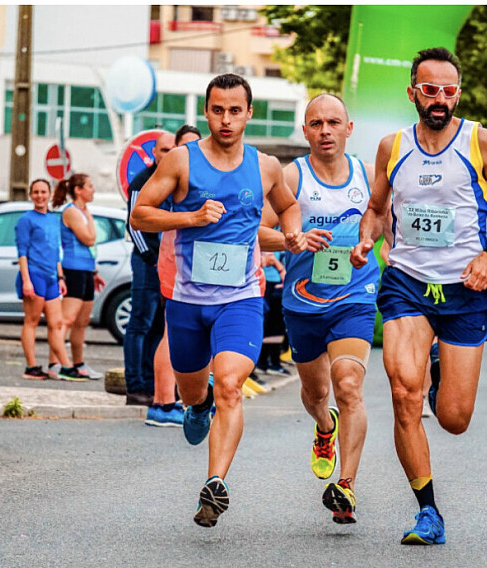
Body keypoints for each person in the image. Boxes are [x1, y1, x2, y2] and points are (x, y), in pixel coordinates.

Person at [351, 47, 487, 545]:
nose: (439, 99)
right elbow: (376, 209)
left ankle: (437, 369)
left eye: (448, 91)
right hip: (407, 282)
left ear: (458, 95)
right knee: (402, 393)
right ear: (413, 92)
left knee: (453, 418)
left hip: (466, 288)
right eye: (430, 90)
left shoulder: (479, 141)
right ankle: (427, 511)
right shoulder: (392, 147)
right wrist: (367, 238)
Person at [131, 73, 307, 528]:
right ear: (206, 112)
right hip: (187, 301)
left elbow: (288, 206)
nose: (226, 119)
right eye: (217, 110)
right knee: (194, 390)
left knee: (230, 384)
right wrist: (190, 217)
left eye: (234, 110)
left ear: (249, 114)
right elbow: (140, 214)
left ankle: (214, 483)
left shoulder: (265, 166)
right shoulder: (181, 160)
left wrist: (291, 232)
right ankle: (197, 404)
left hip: (241, 299)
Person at [259, 93, 380, 524]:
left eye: (333, 122)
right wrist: (292, 240)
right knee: (316, 394)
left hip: (355, 296)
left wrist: (370, 241)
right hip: (303, 301)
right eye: (316, 123)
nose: (325, 130)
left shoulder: (368, 174)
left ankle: (346, 485)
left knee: (348, 385)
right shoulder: (292, 176)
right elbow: (259, 230)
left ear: (349, 128)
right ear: (306, 131)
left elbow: (385, 220)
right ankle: (325, 427)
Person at [141, 126, 204, 425]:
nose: (191, 151)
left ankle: (187, 400)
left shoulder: (197, 171)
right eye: (185, 145)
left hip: (199, 259)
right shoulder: (172, 172)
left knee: (193, 332)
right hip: (177, 258)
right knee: (171, 332)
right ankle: (163, 404)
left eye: (196, 145)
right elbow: (140, 216)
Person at [124, 131, 176, 407]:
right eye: (164, 150)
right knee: (140, 324)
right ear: (154, 153)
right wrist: (152, 258)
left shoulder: (172, 181)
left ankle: (151, 383)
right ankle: (134, 386)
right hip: (148, 263)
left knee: (158, 326)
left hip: (166, 264)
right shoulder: (142, 181)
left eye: (172, 150)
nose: (168, 154)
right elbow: (135, 225)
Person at [15, 179, 83, 381]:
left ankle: (65, 366)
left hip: (52, 278)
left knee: (57, 323)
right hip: (34, 275)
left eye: (43, 192)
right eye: (36, 192)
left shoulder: (54, 219)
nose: (40, 196)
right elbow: (22, 253)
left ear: (49, 194)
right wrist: (26, 281)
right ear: (30, 195)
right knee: (32, 321)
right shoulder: (26, 220)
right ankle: (31, 366)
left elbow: (55, 251)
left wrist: (60, 277)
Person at [50, 173, 106, 380]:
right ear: (78, 190)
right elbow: (89, 239)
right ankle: (56, 364)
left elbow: (91, 246)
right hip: (73, 269)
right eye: (90, 186)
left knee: (82, 322)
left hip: (86, 270)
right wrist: (89, 217)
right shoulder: (72, 211)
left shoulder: (83, 211)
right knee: (66, 320)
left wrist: (94, 272)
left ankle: (79, 363)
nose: (93, 190)